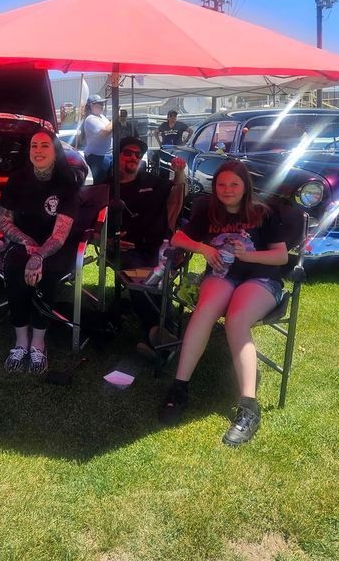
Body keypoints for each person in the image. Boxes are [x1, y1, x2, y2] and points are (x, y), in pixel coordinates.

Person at [158, 160, 288, 447]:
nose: (227, 190)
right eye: (221, 184)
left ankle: (249, 408)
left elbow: (281, 257)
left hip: (261, 278)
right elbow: (178, 237)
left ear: (245, 186)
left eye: (234, 184)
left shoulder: (262, 212)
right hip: (221, 274)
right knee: (204, 311)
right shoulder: (207, 209)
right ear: (214, 187)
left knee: (237, 320)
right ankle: (179, 388)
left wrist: (248, 256)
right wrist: (204, 247)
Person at [0, 128, 81, 375]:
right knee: (14, 267)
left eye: (45, 146)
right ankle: (21, 340)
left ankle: (38, 342)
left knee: (49, 271)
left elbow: (60, 234)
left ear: (55, 152)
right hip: (25, 243)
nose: (38, 151)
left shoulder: (67, 183)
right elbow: (4, 221)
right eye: (34, 146)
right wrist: (26, 242)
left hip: (55, 247)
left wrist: (38, 256)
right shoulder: (17, 180)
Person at [115, 136, 186, 353]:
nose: (134, 157)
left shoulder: (153, 181)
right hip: (128, 248)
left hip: (160, 246)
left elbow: (178, 191)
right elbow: (95, 222)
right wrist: (109, 240)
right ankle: (161, 332)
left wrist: (180, 171)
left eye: (138, 154)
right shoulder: (109, 187)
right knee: (140, 281)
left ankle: (158, 334)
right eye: (128, 152)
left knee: (160, 277)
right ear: (117, 155)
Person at [79, 94, 112, 183]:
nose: (102, 106)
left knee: (109, 182)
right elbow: (105, 132)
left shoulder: (102, 117)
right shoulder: (90, 119)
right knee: (101, 184)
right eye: (99, 104)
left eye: (102, 104)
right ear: (91, 106)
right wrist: (115, 118)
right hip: (96, 156)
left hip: (106, 154)